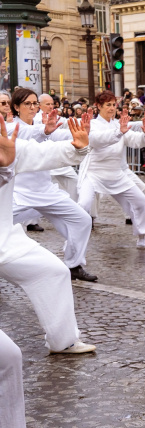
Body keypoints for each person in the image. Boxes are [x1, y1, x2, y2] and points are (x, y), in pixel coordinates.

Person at [0, 113, 98, 354]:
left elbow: (42, 152)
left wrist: (76, 147)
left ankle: (63, 341)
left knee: (55, 272)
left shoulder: (9, 143)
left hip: (4, 239)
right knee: (9, 357)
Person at [9, 89, 98, 283]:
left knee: (82, 220)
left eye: (34, 103)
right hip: (20, 193)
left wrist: (82, 134)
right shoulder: (11, 127)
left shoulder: (45, 125)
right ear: (16, 107)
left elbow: (62, 137)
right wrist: (43, 130)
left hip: (47, 192)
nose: (32, 107)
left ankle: (73, 265)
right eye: (27, 104)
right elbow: (27, 133)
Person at [76, 92, 145, 249]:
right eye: (108, 105)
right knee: (83, 205)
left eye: (114, 105)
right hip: (93, 173)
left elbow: (134, 140)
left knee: (140, 200)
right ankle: (74, 241)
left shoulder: (117, 124)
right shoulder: (92, 124)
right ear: (98, 106)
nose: (112, 108)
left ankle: (143, 238)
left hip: (116, 173)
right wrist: (119, 131)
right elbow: (97, 140)